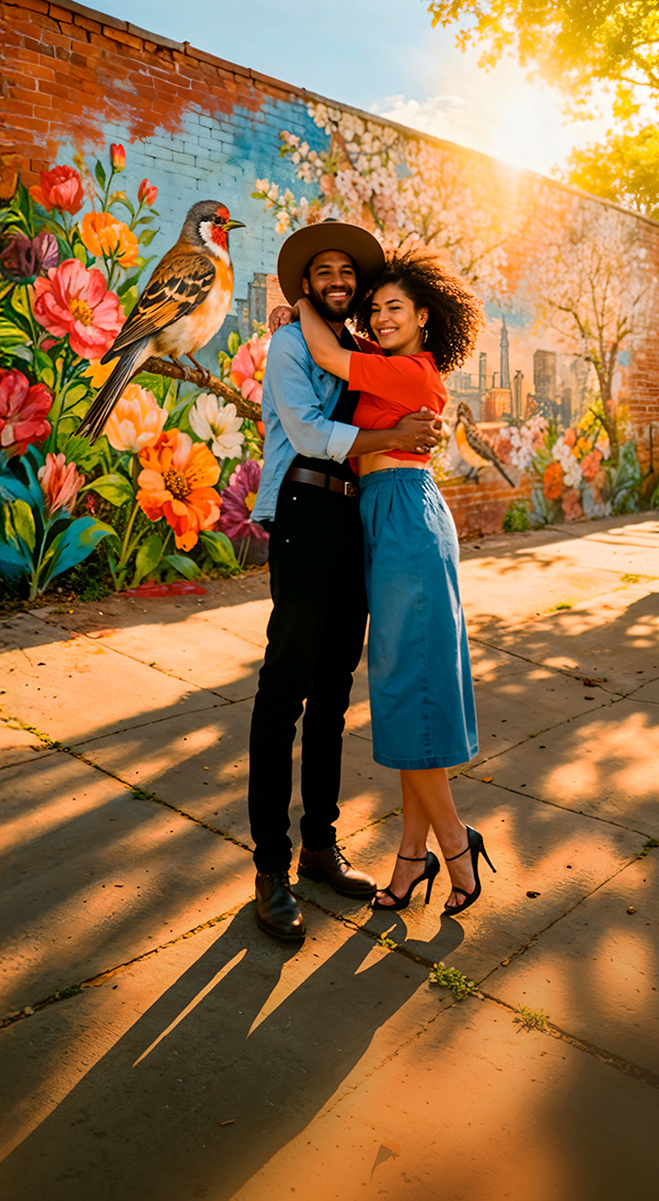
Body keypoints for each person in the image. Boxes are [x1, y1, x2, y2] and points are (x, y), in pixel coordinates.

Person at [244, 221, 444, 944]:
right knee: (286, 688)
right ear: (306, 284)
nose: (337, 280)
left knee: (333, 693)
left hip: (356, 517)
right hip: (304, 512)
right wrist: (392, 438)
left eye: (346, 272)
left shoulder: (360, 347)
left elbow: (400, 394)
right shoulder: (291, 344)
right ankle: (270, 868)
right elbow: (305, 430)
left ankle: (319, 847)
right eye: (322, 271)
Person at [291, 244, 497, 917]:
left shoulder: (413, 372)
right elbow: (341, 352)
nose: (381, 318)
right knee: (405, 689)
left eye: (395, 308)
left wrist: (300, 302)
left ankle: (455, 843)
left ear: (424, 316)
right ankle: (413, 854)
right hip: (383, 516)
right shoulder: (384, 364)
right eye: (375, 309)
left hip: (405, 515)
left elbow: (327, 354)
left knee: (411, 685)